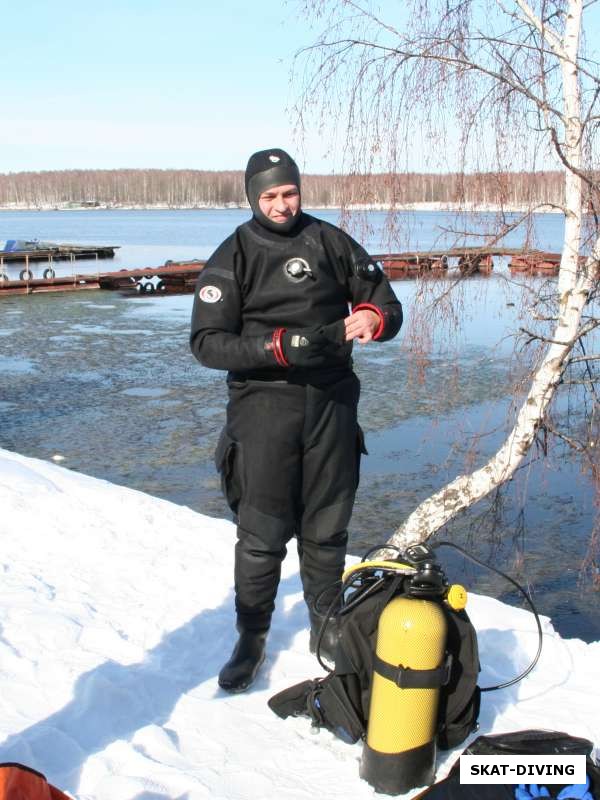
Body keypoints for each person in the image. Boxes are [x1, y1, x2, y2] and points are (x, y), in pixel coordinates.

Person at [189, 148, 402, 693]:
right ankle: (251, 636)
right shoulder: (233, 253)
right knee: (260, 536)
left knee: (327, 529)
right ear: (252, 197)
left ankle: (326, 627)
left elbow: (385, 301)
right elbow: (207, 343)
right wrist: (277, 346)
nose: (282, 205)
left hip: (331, 404)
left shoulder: (331, 242)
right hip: (264, 407)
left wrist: (374, 318)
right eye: (269, 196)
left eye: (289, 193)